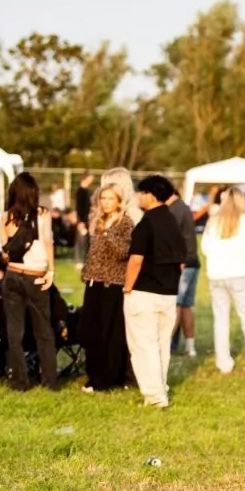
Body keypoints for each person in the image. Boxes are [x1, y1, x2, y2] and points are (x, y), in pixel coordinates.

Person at [123, 175, 186, 409]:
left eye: (141, 193)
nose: (138, 197)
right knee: (161, 344)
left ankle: (154, 395)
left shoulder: (146, 223)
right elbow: (182, 261)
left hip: (144, 292)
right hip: (168, 293)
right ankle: (161, 387)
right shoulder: (172, 221)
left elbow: (135, 261)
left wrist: (127, 288)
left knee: (143, 345)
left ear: (150, 195)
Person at [201, 187, 245, 374]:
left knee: (221, 319)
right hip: (238, 275)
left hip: (216, 276)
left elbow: (205, 248)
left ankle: (223, 362)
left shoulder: (214, 220)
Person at [0, 171, 58, 391]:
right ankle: (50, 381)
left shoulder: (6, 217)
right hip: (35, 276)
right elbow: (48, 242)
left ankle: (19, 382)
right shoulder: (42, 214)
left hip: (13, 274)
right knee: (43, 331)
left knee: (15, 332)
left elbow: (5, 253)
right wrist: (50, 270)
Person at [80, 183, 134, 392]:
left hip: (114, 283)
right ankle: (93, 374)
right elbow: (92, 251)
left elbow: (124, 252)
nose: (106, 203)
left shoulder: (125, 223)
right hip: (94, 281)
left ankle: (109, 377)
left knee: (111, 332)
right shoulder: (96, 221)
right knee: (91, 330)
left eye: (110, 199)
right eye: (103, 199)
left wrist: (108, 233)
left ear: (119, 201)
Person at [166, 189, 201, 357]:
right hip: (193, 262)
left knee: (176, 305)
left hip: (182, 264)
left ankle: (166, 345)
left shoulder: (173, 210)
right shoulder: (184, 207)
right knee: (186, 305)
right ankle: (190, 347)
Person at [74, 172, 95, 268]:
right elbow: (79, 207)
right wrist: (80, 221)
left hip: (88, 219)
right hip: (82, 220)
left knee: (87, 240)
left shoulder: (88, 191)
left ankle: (86, 260)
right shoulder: (80, 191)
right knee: (80, 240)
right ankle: (78, 261)